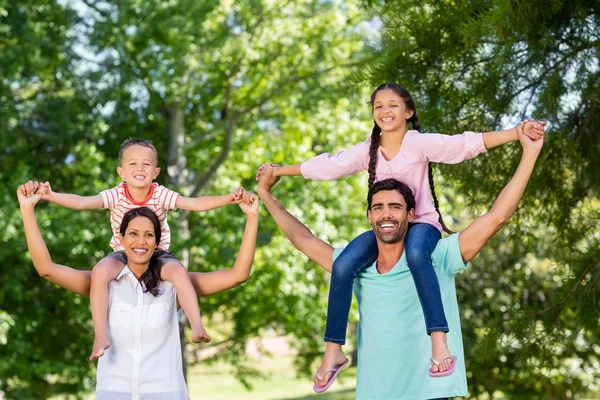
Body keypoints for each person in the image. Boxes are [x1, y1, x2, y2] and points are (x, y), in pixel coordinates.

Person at [256, 82, 546, 383]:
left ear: (409, 111)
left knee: (418, 254)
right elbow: (328, 166)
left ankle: (438, 341)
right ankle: (333, 350)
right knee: (342, 266)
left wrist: (516, 133)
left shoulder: (417, 143)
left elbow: (461, 145)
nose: (385, 110)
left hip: (421, 226)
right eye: (378, 106)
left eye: (393, 104)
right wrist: (278, 172)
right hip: (388, 230)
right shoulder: (368, 150)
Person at [17, 181, 259, 399]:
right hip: (114, 392)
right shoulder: (103, 284)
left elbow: (238, 276)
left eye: (148, 235)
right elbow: (46, 269)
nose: (140, 242)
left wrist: (251, 217)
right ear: (121, 239)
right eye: (133, 234)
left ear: (157, 242)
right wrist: (28, 210)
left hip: (165, 392)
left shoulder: (175, 283)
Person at [36, 138, 246, 360]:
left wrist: (227, 198)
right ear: (121, 171)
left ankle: (196, 326)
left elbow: (194, 204)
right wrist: (51, 196)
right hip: (122, 254)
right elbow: (81, 202)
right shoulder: (116, 195)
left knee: (178, 272)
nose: (139, 168)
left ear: (155, 172)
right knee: (99, 272)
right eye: (133, 164)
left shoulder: (160, 194)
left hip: (157, 253)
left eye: (146, 164)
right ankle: (100, 336)